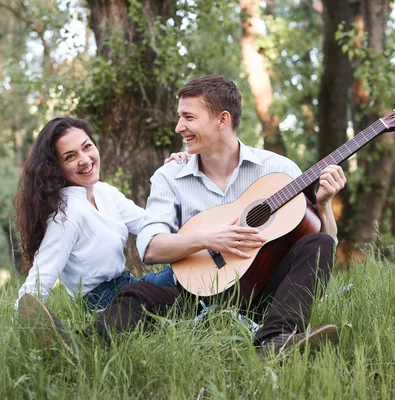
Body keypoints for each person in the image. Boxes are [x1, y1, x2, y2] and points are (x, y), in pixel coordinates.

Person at [88, 75, 347, 356]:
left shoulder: (279, 170)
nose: (179, 127)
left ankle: (275, 340)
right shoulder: (169, 175)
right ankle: (74, 344)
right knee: (135, 296)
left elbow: (324, 248)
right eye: (179, 117)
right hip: (196, 292)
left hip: (261, 289)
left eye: (189, 117)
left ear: (222, 120)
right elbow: (150, 248)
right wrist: (208, 238)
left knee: (317, 245)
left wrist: (323, 205)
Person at [14, 117, 187, 313]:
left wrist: (176, 173)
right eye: (70, 157)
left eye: (87, 147)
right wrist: (25, 320)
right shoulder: (67, 214)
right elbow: (40, 277)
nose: (85, 159)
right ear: (56, 168)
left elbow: (151, 225)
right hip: (102, 303)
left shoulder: (104, 192)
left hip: (127, 287)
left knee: (186, 275)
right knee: (181, 288)